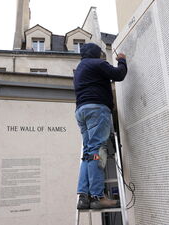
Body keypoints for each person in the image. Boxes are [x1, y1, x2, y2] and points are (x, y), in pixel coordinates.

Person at [74, 42, 127, 209]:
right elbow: (119, 75)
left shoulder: (80, 69)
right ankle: (97, 197)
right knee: (97, 151)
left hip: (81, 111)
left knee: (88, 153)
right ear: (96, 53)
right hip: (97, 109)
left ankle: (83, 197)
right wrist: (122, 60)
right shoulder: (97, 63)